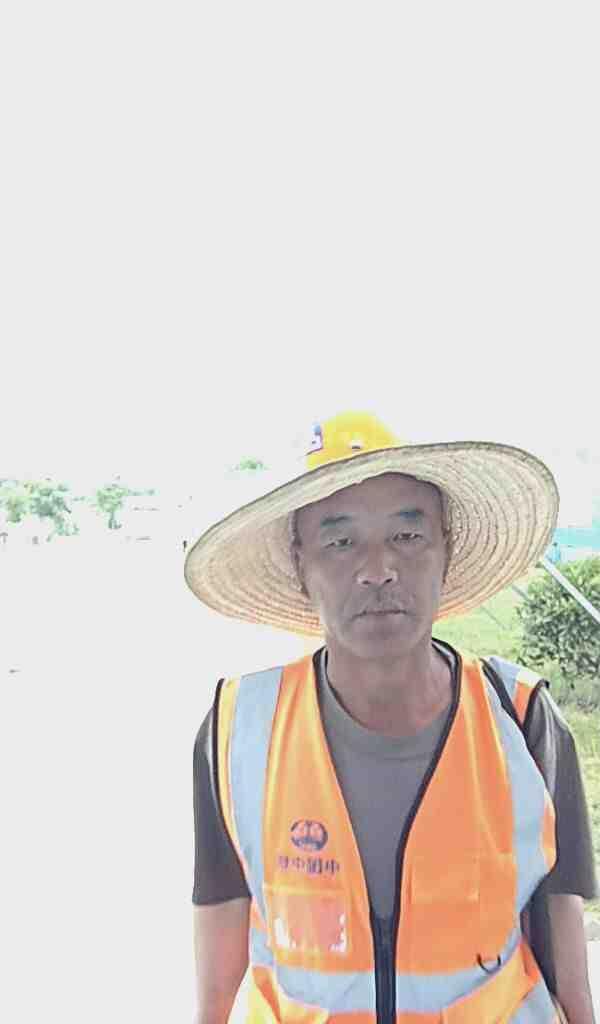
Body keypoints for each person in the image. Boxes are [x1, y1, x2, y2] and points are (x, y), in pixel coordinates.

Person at [186, 411, 598, 1023]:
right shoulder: (236, 731)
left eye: (407, 535)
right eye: (340, 541)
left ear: (445, 549)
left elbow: (562, 939)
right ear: (300, 564)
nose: (378, 569)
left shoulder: (522, 719)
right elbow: (219, 952)